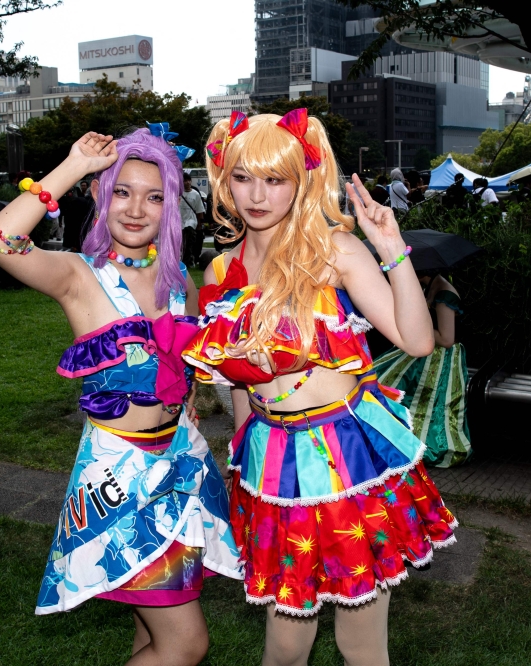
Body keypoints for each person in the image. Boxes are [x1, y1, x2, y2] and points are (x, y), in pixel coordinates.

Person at [184, 109, 456, 666]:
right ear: (224, 178)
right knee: (283, 647)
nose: (257, 195)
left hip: (346, 457)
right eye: (243, 177)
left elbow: (418, 339)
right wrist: (244, 455)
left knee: (359, 646)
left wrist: (391, 249)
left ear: (302, 180)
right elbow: (240, 378)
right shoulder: (220, 271)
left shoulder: (333, 251)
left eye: (275, 179)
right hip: (271, 463)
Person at [0, 130, 241, 666]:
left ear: (170, 207)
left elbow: (185, 364)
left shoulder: (177, 282)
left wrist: (188, 397)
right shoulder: (79, 275)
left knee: (151, 637)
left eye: (154, 196)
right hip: (119, 483)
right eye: (122, 191)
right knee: (186, 644)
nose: (136, 208)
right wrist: (73, 164)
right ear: (100, 195)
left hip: (180, 473)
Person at [371, 272, 471, 467]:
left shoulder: (444, 295)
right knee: (381, 379)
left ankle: (426, 446)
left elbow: (447, 339)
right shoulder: (433, 286)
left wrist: (419, 326)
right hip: (425, 354)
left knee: (429, 404)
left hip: (441, 359)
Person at [180, 172, 205, 267]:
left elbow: (200, 211)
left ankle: (187, 262)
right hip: (179, 223)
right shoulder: (178, 194)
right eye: (184, 181)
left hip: (191, 222)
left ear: (190, 181)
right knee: (182, 243)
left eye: (188, 180)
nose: (186, 183)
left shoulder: (196, 194)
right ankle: (186, 259)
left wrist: (199, 224)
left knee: (188, 242)